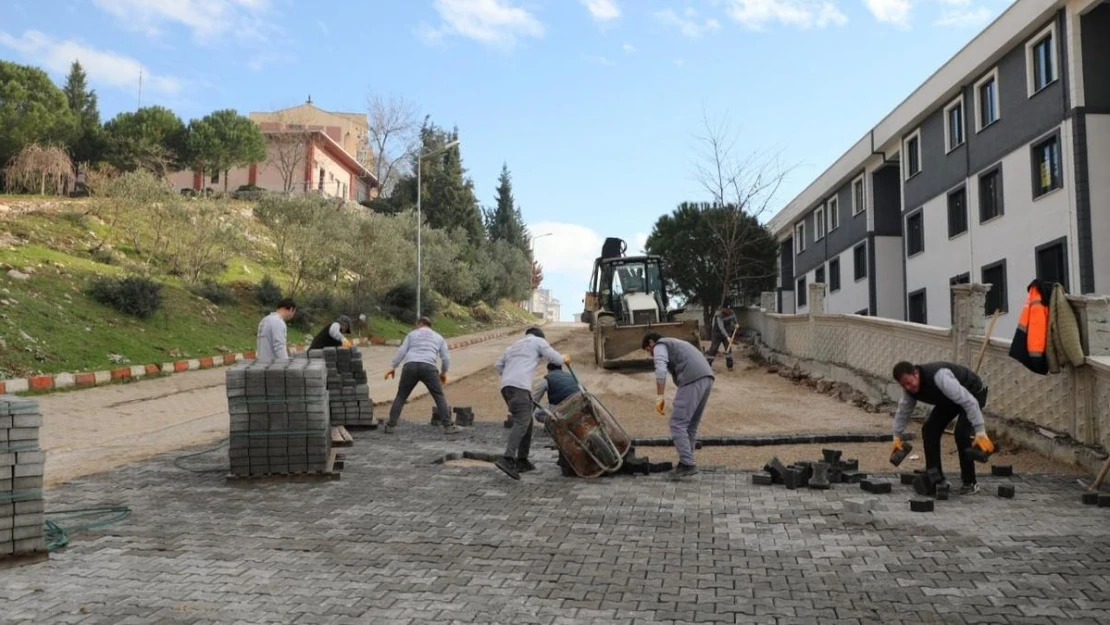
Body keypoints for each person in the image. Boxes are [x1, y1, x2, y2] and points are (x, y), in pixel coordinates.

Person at [891, 361, 995, 495]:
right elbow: (903, 411)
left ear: (915, 373)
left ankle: (970, 482)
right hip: (948, 398)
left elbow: (969, 402)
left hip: (972, 392)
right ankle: (936, 478)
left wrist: (980, 431)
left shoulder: (940, 377)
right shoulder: (909, 391)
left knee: (961, 433)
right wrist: (896, 436)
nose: (908, 387)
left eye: (909, 382)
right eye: (904, 385)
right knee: (929, 430)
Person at [493, 327, 569, 479]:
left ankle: (522, 460)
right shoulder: (538, 341)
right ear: (541, 336)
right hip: (520, 387)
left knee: (527, 422)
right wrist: (565, 358)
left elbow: (498, 365)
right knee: (521, 422)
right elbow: (556, 359)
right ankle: (508, 458)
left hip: (507, 387)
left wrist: (509, 375)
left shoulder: (513, 346)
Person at [643, 332, 715, 479]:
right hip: (707, 377)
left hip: (693, 377)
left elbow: (661, 370)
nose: (650, 354)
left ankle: (688, 464)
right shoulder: (675, 341)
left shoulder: (660, 345)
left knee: (677, 423)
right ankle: (686, 462)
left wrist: (660, 397)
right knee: (690, 425)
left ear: (651, 343)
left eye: (647, 350)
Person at [383, 317, 458, 435]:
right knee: (438, 396)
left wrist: (393, 366)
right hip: (429, 367)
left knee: (401, 396)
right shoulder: (438, 337)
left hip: (410, 366)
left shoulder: (412, 334)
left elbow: (402, 351)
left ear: (420, 323)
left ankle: (390, 426)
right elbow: (446, 358)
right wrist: (443, 372)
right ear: (429, 325)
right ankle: (448, 427)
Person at [706, 302, 738, 371]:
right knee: (713, 349)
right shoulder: (719, 315)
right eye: (726, 309)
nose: (728, 311)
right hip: (717, 334)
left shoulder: (731, 312)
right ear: (723, 309)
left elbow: (734, 318)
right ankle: (708, 364)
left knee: (728, 349)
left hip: (727, 332)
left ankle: (730, 366)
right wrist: (727, 337)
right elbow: (721, 327)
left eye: (729, 309)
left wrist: (736, 323)